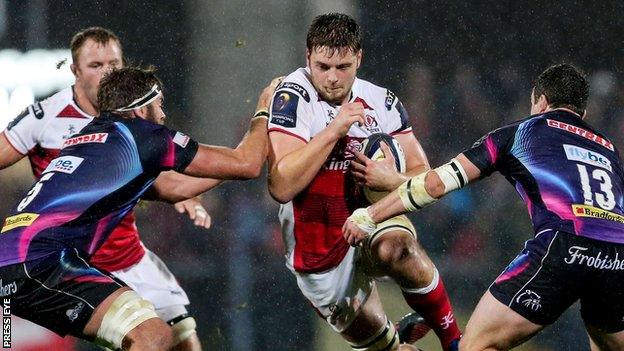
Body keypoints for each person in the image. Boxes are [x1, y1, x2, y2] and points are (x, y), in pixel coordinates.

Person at [344, 63, 624, 350]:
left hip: (564, 245)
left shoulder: (521, 132)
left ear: (539, 101)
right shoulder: (608, 148)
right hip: (617, 257)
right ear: (583, 114)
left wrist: (370, 214)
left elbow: (437, 185)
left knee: (474, 345)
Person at [0, 66, 278, 350]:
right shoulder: (146, 136)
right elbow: (248, 164)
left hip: (16, 259)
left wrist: (230, 166)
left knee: (153, 335)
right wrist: (264, 111)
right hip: (41, 260)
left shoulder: (88, 139)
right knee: (151, 335)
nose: (163, 115)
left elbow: (174, 188)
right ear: (139, 109)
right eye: (159, 105)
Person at [0, 27, 210, 350]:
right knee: (10, 337)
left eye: (113, 64)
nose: (106, 73)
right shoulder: (46, 118)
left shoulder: (136, 118)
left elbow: (161, 176)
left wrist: (186, 193)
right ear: (74, 71)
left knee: (184, 341)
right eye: (95, 65)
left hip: (128, 256)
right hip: (64, 261)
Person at [267, 13, 461, 351]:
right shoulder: (292, 97)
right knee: (391, 349)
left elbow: (424, 179)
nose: (331, 78)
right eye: (322, 66)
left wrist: (393, 179)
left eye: (343, 67)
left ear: (359, 58)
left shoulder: (383, 102)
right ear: (307, 57)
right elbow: (282, 186)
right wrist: (335, 130)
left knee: (398, 248)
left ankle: (456, 342)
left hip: (371, 221)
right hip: (318, 256)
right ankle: (396, 339)